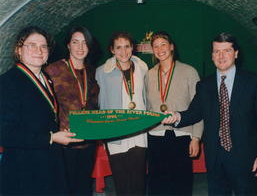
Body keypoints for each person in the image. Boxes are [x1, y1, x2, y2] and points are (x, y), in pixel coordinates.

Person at [162, 32, 257, 196]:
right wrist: (176, 116)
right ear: (212, 55)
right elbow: (194, 113)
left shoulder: (255, 82)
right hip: (215, 157)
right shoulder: (204, 85)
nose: (221, 56)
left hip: (246, 157)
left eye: (226, 50)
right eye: (216, 51)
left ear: (236, 53)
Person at [0, 26, 83, 195]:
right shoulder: (8, 82)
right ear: (18, 50)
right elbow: (4, 134)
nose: (39, 50)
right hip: (24, 171)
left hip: (49, 164)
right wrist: (51, 138)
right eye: (31, 45)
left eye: (43, 46)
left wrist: (58, 132)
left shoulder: (45, 78)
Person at [145, 31, 203, 196]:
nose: (160, 49)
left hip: (182, 135)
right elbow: (148, 108)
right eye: (155, 46)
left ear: (171, 47)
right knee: (157, 183)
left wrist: (196, 138)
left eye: (163, 44)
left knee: (181, 183)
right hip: (156, 135)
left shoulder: (189, 71)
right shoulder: (149, 75)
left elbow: (198, 107)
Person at [45, 26, 99, 196]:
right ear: (68, 45)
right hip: (64, 141)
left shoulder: (92, 72)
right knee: (63, 187)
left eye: (85, 43)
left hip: (87, 139)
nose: (80, 47)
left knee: (83, 186)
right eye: (75, 42)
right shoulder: (53, 70)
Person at [95, 31, 148, 196]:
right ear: (112, 50)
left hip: (139, 130)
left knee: (138, 178)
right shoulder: (102, 71)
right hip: (116, 133)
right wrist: (104, 132)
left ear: (133, 47)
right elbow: (101, 104)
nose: (123, 52)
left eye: (127, 46)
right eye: (118, 47)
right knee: (121, 179)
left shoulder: (142, 68)